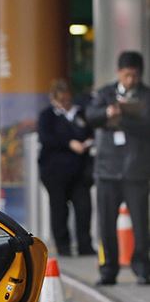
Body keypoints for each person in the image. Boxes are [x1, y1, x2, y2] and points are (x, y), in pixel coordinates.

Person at [85, 51, 150, 285]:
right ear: (119, 73)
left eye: (134, 75)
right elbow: (91, 116)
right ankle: (108, 270)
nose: (130, 80)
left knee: (141, 224)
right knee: (106, 225)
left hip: (136, 171)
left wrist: (122, 118)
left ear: (140, 74)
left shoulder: (146, 96)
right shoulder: (105, 94)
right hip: (107, 170)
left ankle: (143, 269)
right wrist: (107, 113)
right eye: (126, 75)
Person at [38, 79, 94, 257]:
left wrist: (87, 143)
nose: (65, 104)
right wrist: (70, 143)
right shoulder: (48, 115)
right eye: (61, 100)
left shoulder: (81, 114)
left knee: (84, 208)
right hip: (55, 172)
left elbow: (91, 131)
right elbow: (46, 138)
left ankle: (85, 244)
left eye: (67, 100)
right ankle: (64, 246)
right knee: (59, 209)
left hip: (79, 172)